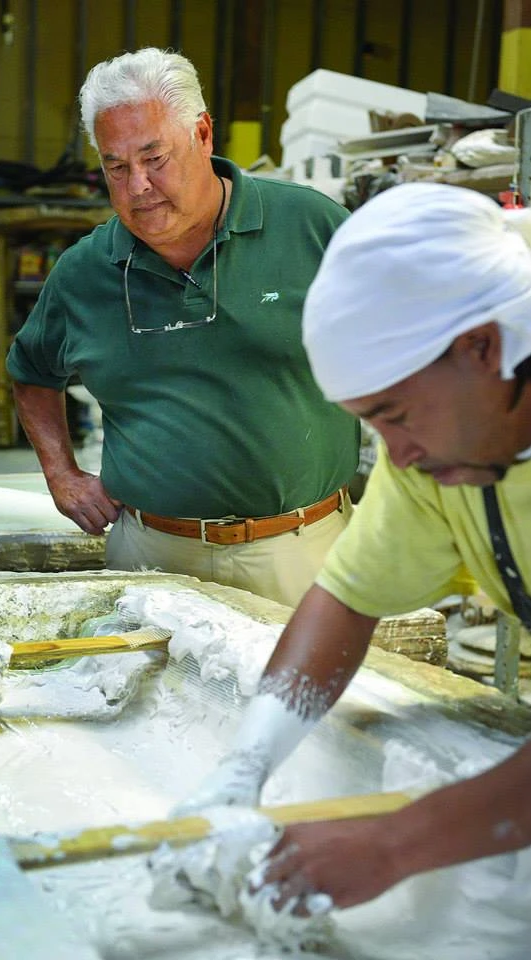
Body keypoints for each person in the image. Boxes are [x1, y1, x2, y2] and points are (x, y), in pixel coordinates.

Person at [175, 181, 531, 911]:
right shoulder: (440, 456)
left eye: (395, 414)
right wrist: (244, 767)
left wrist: (394, 844)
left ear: (481, 347)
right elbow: (345, 597)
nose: (393, 456)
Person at [5, 47, 359, 609]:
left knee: (308, 698)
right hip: (150, 556)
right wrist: (62, 474)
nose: (137, 186)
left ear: (202, 133)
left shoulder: (312, 228)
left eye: (154, 158)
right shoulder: (85, 272)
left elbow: (411, 342)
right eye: (115, 167)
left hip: (301, 553)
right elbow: (30, 371)